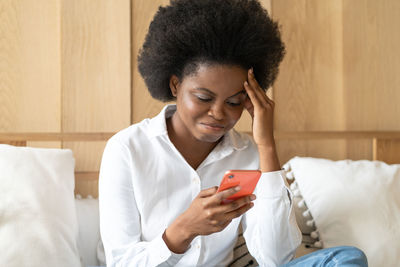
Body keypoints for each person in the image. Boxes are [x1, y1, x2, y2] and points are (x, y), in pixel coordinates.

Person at [99, 0, 368, 266]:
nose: (218, 113)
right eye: (204, 97)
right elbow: (122, 262)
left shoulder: (248, 153)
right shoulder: (127, 149)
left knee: (345, 259)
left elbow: (276, 258)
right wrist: (184, 229)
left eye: (233, 102)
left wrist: (266, 147)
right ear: (174, 85)